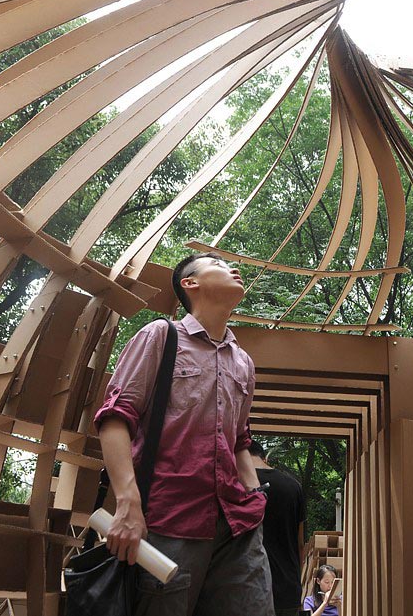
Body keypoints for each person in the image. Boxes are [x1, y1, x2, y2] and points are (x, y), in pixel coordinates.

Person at [95, 251, 274, 616]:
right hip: (169, 521)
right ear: (189, 283)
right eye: (219, 265)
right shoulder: (161, 336)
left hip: (238, 528)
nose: (233, 268)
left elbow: (240, 440)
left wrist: (255, 496)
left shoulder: (244, 362)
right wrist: (127, 504)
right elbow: (115, 417)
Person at [249, 439, 308, 616]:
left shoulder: (236, 484)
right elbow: (300, 545)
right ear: (264, 458)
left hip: (249, 589)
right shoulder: (293, 486)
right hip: (287, 589)